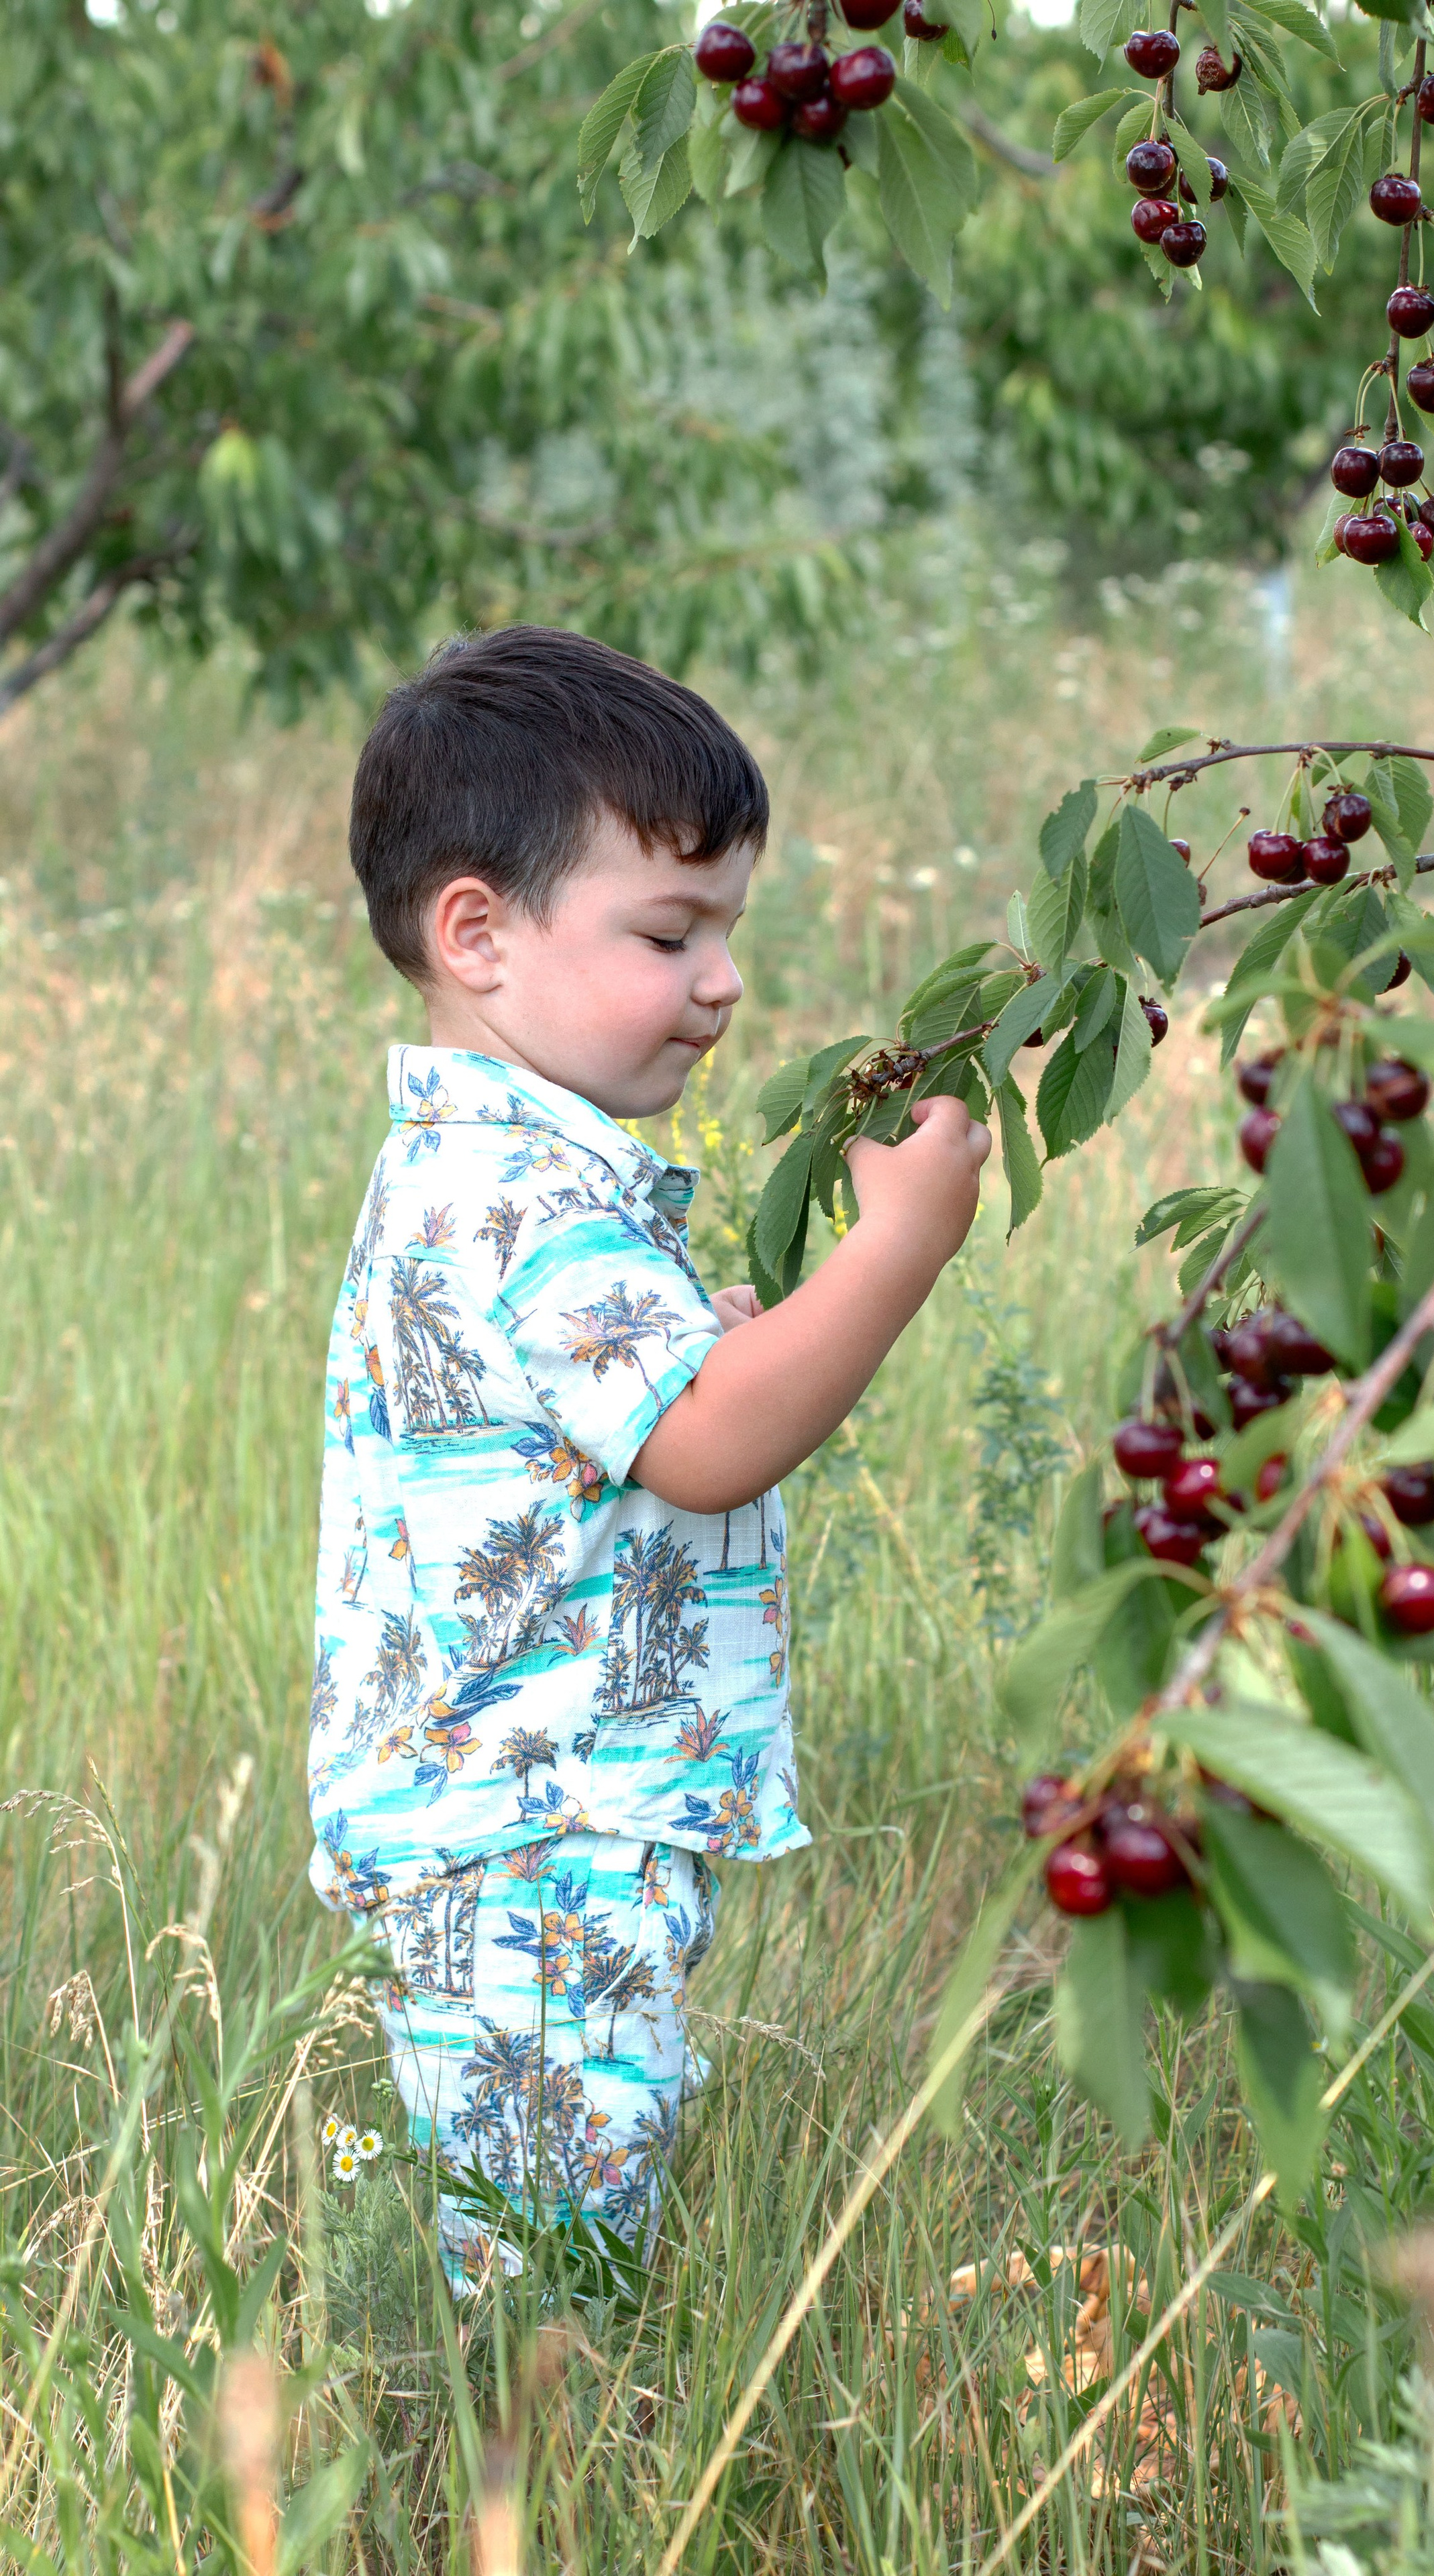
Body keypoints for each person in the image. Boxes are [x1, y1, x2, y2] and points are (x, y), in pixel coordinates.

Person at [308, 625, 990, 2289]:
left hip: (507, 1812)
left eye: (726, 933)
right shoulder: (534, 1193)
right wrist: (893, 1251)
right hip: (540, 1827)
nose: (723, 983)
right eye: (669, 931)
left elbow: (605, 1414)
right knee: (552, 2268)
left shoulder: (467, 1166)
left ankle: (499, 2454)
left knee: (537, 2216)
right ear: (476, 932)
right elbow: (696, 1446)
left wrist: (717, 1328)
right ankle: (517, 2496)